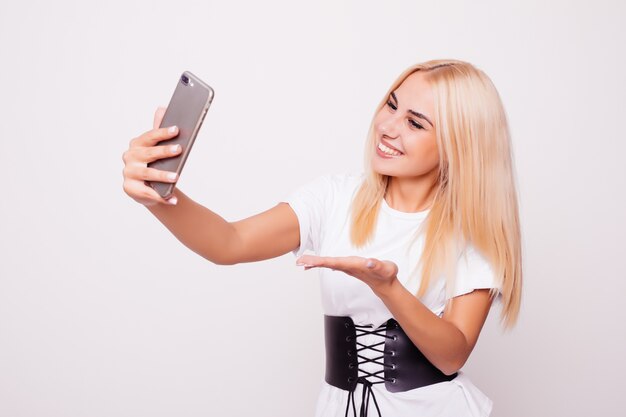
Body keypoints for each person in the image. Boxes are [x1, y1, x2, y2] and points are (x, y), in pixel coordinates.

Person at [121, 59, 522, 417]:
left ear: (459, 146)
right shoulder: (335, 198)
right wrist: (157, 195)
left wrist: (389, 288)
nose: (388, 126)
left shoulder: (469, 232)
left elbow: (452, 355)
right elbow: (230, 242)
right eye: (392, 105)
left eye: (415, 123)